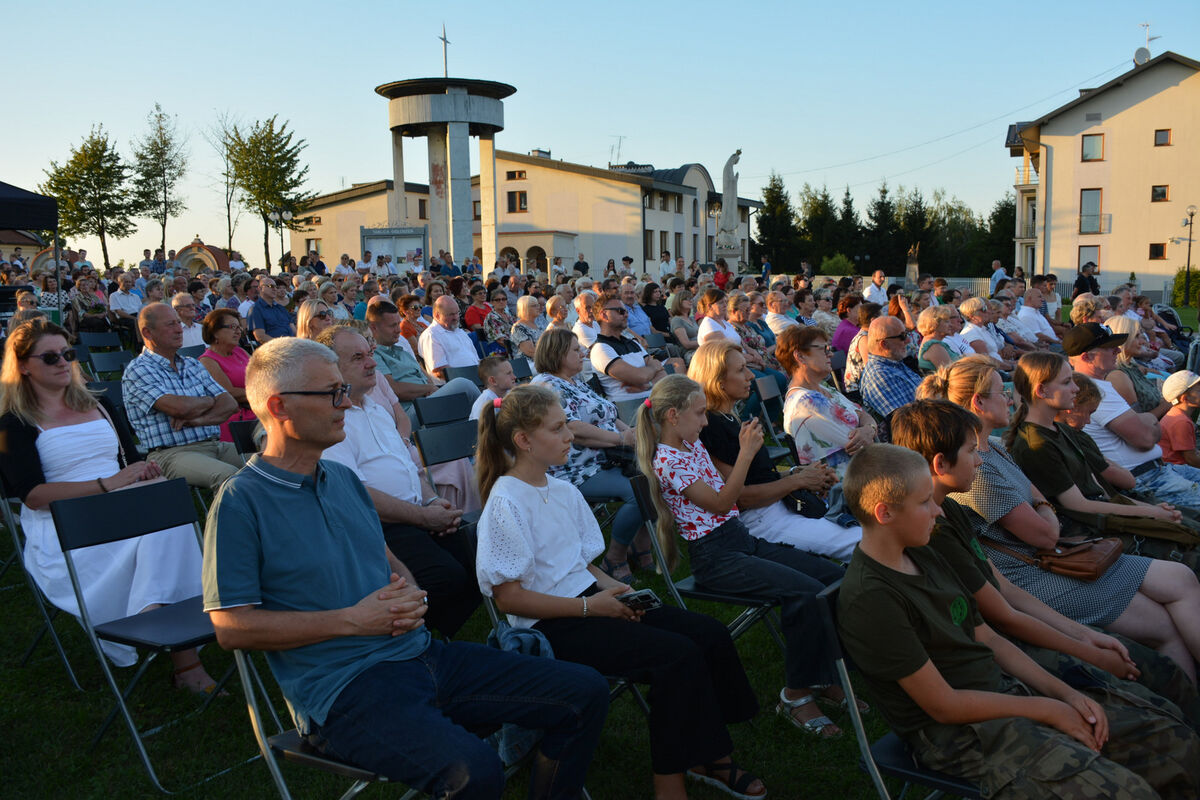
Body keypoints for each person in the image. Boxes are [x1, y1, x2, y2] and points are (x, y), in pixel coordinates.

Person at [202, 337, 608, 798]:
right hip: (343, 689)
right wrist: (353, 621)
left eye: (343, 391)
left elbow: (387, 556)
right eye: (332, 393)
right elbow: (230, 628)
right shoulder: (241, 502)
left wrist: (410, 593)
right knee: (475, 772)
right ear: (279, 406)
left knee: (585, 691)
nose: (346, 403)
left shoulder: (341, 479)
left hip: (420, 655)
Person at [837, 442, 1200, 798]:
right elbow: (943, 705)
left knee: (1177, 745)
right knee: (1129, 792)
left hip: (1003, 690)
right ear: (885, 513)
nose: (936, 511)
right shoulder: (872, 599)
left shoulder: (922, 552)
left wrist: (1065, 695)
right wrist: (1049, 709)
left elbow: (988, 638)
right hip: (961, 734)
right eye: (924, 503)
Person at [475, 383, 764, 800]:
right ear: (523, 440)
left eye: (566, 426)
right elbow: (509, 598)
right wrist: (591, 607)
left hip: (592, 600)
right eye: (557, 429)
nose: (570, 436)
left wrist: (617, 590)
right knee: (675, 657)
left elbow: (577, 563)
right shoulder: (506, 502)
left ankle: (707, 752)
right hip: (552, 624)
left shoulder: (561, 490)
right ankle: (672, 780)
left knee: (708, 634)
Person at [893, 399, 1200, 732]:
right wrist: (1087, 648)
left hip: (1036, 585)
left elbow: (1002, 592)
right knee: (1160, 661)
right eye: (971, 452)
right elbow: (1002, 615)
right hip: (1023, 610)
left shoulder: (949, 509)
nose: (979, 459)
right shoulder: (935, 531)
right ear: (940, 464)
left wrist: (1084, 639)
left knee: (1174, 595)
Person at [0, 319, 219, 691]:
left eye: (67, 354)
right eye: (50, 357)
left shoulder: (98, 403)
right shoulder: (12, 423)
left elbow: (129, 460)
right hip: (67, 525)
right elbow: (33, 496)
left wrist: (143, 474)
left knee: (171, 518)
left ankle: (160, 622)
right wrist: (107, 485)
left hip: (121, 504)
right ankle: (180, 650)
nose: (62, 362)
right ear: (22, 366)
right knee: (162, 531)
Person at [638, 374, 846, 737]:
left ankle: (821, 675)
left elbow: (729, 491)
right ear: (673, 415)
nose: (705, 422)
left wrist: (791, 473)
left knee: (832, 578)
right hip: (715, 557)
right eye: (699, 414)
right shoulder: (668, 461)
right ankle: (796, 695)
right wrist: (746, 452)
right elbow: (722, 502)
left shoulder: (691, 445)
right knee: (805, 592)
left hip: (740, 540)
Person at [1002, 352, 1200, 678]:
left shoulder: (1059, 430)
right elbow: (1080, 505)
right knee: (1188, 563)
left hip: (1109, 520)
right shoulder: (1035, 444)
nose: (1075, 389)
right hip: (1092, 535)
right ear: (1041, 391)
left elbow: (1103, 490)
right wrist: (1150, 513)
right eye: (1067, 382)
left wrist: (1147, 510)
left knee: (1188, 543)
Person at [315, 326, 478, 638]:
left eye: (370, 354)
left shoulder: (376, 410)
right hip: (379, 527)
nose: (372, 363)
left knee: (481, 565)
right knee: (446, 579)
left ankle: (434, 641)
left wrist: (433, 501)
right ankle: (410, 642)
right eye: (358, 358)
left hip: (416, 515)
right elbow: (355, 494)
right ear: (331, 368)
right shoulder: (332, 421)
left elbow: (410, 468)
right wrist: (423, 516)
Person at [693, 339, 863, 561]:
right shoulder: (710, 426)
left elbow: (756, 477)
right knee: (864, 543)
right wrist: (797, 481)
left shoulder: (729, 419)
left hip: (777, 508)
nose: (750, 376)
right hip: (761, 519)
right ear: (719, 381)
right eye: (741, 370)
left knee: (872, 529)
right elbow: (741, 498)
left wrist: (801, 473)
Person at [530, 328, 649, 584]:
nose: (582, 353)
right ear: (557, 353)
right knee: (639, 491)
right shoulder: (546, 386)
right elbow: (572, 430)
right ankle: (614, 558)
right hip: (576, 468)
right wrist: (620, 439)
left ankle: (640, 546)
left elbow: (609, 415)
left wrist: (630, 434)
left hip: (608, 458)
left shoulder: (575, 382)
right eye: (575, 350)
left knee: (658, 476)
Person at [1066, 323, 1200, 514]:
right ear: (1087, 357)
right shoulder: (1093, 391)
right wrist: (1148, 421)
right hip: (1146, 479)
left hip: (1158, 470)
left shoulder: (1098, 385)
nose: (1118, 350)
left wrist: (1145, 420)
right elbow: (1145, 439)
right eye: (1109, 348)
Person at [122, 304, 241, 493]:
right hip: (171, 453)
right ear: (147, 332)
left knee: (271, 463)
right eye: (170, 324)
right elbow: (179, 408)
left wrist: (197, 420)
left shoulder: (192, 364)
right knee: (230, 477)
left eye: (178, 323)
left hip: (215, 444)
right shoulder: (139, 370)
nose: (179, 329)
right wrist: (209, 400)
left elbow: (229, 404)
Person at [779, 325, 878, 483]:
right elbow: (861, 444)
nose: (830, 354)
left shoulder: (823, 388)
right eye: (823, 349)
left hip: (865, 472)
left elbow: (861, 414)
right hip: (852, 483)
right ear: (800, 356)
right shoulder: (805, 402)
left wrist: (869, 428)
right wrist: (869, 430)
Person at [367, 300, 480, 425]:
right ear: (374, 327)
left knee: (465, 408)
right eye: (392, 326)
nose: (398, 330)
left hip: (427, 401)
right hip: (409, 411)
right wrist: (428, 389)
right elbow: (392, 389)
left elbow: (426, 379)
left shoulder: (402, 351)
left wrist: (430, 389)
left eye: (398, 324)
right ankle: (490, 419)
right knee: (464, 385)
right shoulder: (372, 355)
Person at [589, 294, 665, 402]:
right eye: (620, 311)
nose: (626, 315)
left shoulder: (633, 343)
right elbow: (640, 376)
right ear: (604, 315)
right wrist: (654, 368)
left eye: (626, 311)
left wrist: (649, 384)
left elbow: (662, 373)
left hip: (654, 401)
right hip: (632, 407)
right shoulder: (600, 349)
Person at [197, 308, 255, 443]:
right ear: (215, 332)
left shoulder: (240, 351)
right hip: (235, 416)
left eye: (239, 327)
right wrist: (264, 394)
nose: (238, 331)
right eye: (232, 327)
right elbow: (228, 392)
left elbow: (262, 376)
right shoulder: (207, 361)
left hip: (256, 407)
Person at [1105, 315, 1170, 417]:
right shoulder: (1118, 376)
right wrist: (1171, 403)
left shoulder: (1130, 366)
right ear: (1122, 340)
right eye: (1136, 336)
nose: (1142, 342)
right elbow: (1137, 420)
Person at [859, 316, 923, 418]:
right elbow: (906, 421)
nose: (908, 340)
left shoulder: (894, 362)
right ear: (884, 344)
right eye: (902, 336)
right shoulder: (879, 375)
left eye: (906, 334)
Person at [418, 296, 481, 384]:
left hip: (475, 381)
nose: (456, 317)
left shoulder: (460, 332)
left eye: (457, 313)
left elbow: (476, 360)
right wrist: (470, 378)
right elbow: (439, 372)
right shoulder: (431, 335)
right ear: (437, 315)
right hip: (455, 385)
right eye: (451, 314)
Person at [1160, 371, 1200, 468]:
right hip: (1176, 468)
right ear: (1184, 398)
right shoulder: (1181, 422)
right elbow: (1191, 459)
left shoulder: (1178, 415)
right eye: (1199, 391)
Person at [470, 356, 517, 421]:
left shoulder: (511, 394)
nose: (514, 377)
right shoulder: (484, 402)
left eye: (512, 372)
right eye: (508, 373)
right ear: (493, 381)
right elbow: (481, 426)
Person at [666, 290, 699, 359]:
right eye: (687, 299)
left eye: (691, 299)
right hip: (689, 353)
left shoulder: (692, 318)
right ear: (679, 302)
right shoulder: (677, 320)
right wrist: (705, 342)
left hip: (701, 348)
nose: (690, 301)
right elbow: (686, 344)